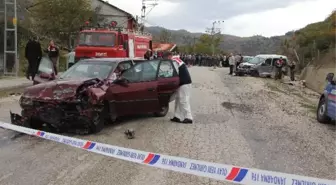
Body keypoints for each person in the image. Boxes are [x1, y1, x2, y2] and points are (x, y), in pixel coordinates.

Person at [163, 51, 193, 124]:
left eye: (166, 59)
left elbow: (174, 73)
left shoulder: (174, 61)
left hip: (184, 83)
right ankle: (177, 116)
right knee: (178, 100)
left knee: (183, 100)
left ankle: (189, 117)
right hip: (181, 83)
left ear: (169, 56)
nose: (166, 61)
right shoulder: (176, 59)